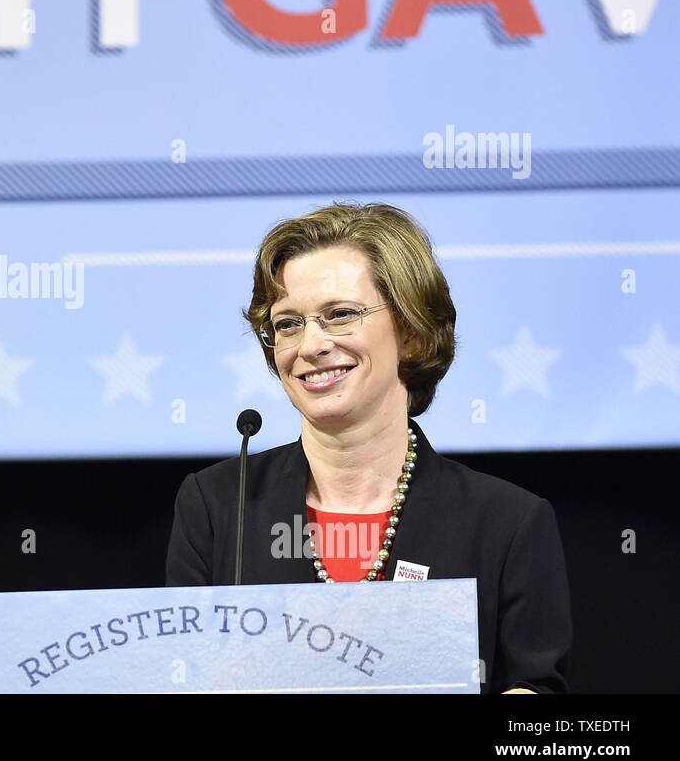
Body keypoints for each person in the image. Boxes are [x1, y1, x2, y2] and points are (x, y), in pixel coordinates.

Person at [165, 203, 572, 694]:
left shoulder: (506, 522)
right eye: (288, 323)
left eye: (339, 315)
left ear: (411, 330)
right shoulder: (217, 507)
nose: (310, 345)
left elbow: (537, 690)